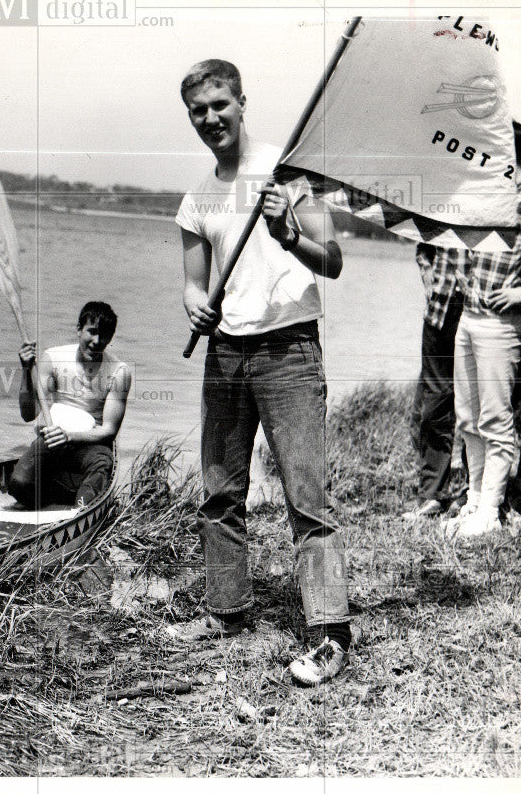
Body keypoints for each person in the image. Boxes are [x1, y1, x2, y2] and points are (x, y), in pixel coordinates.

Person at [170, 59, 351, 686]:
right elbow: (195, 287)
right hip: (224, 354)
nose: (211, 118)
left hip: (289, 351)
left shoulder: (289, 171)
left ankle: (329, 632)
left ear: (242, 102)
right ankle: (227, 611)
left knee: (307, 496)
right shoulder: (197, 199)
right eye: (199, 110)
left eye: (220, 104)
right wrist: (196, 306)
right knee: (220, 491)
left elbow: (331, 262)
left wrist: (285, 230)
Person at [7, 302, 131, 509]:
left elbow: (109, 430)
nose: (97, 341)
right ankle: (65, 493)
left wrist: (70, 436)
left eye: (105, 335)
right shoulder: (53, 359)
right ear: (79, 330)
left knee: (100, 466)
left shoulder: (119, 371)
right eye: (92, 332)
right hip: (55, 441)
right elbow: (29, 415)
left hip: (92, 444)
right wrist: (27, 371)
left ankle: (79, 508)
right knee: (19, 484)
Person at [445, 231, 521, 538]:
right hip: (469, 317)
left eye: (519, 177)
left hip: (501, 325)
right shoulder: (490, 205)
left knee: (495, 421)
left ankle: (490, 512)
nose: (515, 179)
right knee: (467, 419)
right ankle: (474, 502)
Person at [402, 243, 468, 521]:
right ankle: (432, 495)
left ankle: (471, 493)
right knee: (432, 408)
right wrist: (425, 266)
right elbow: (420, 228)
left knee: (475, 407)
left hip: (478, 310)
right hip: (439, 308)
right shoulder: (448, 198)